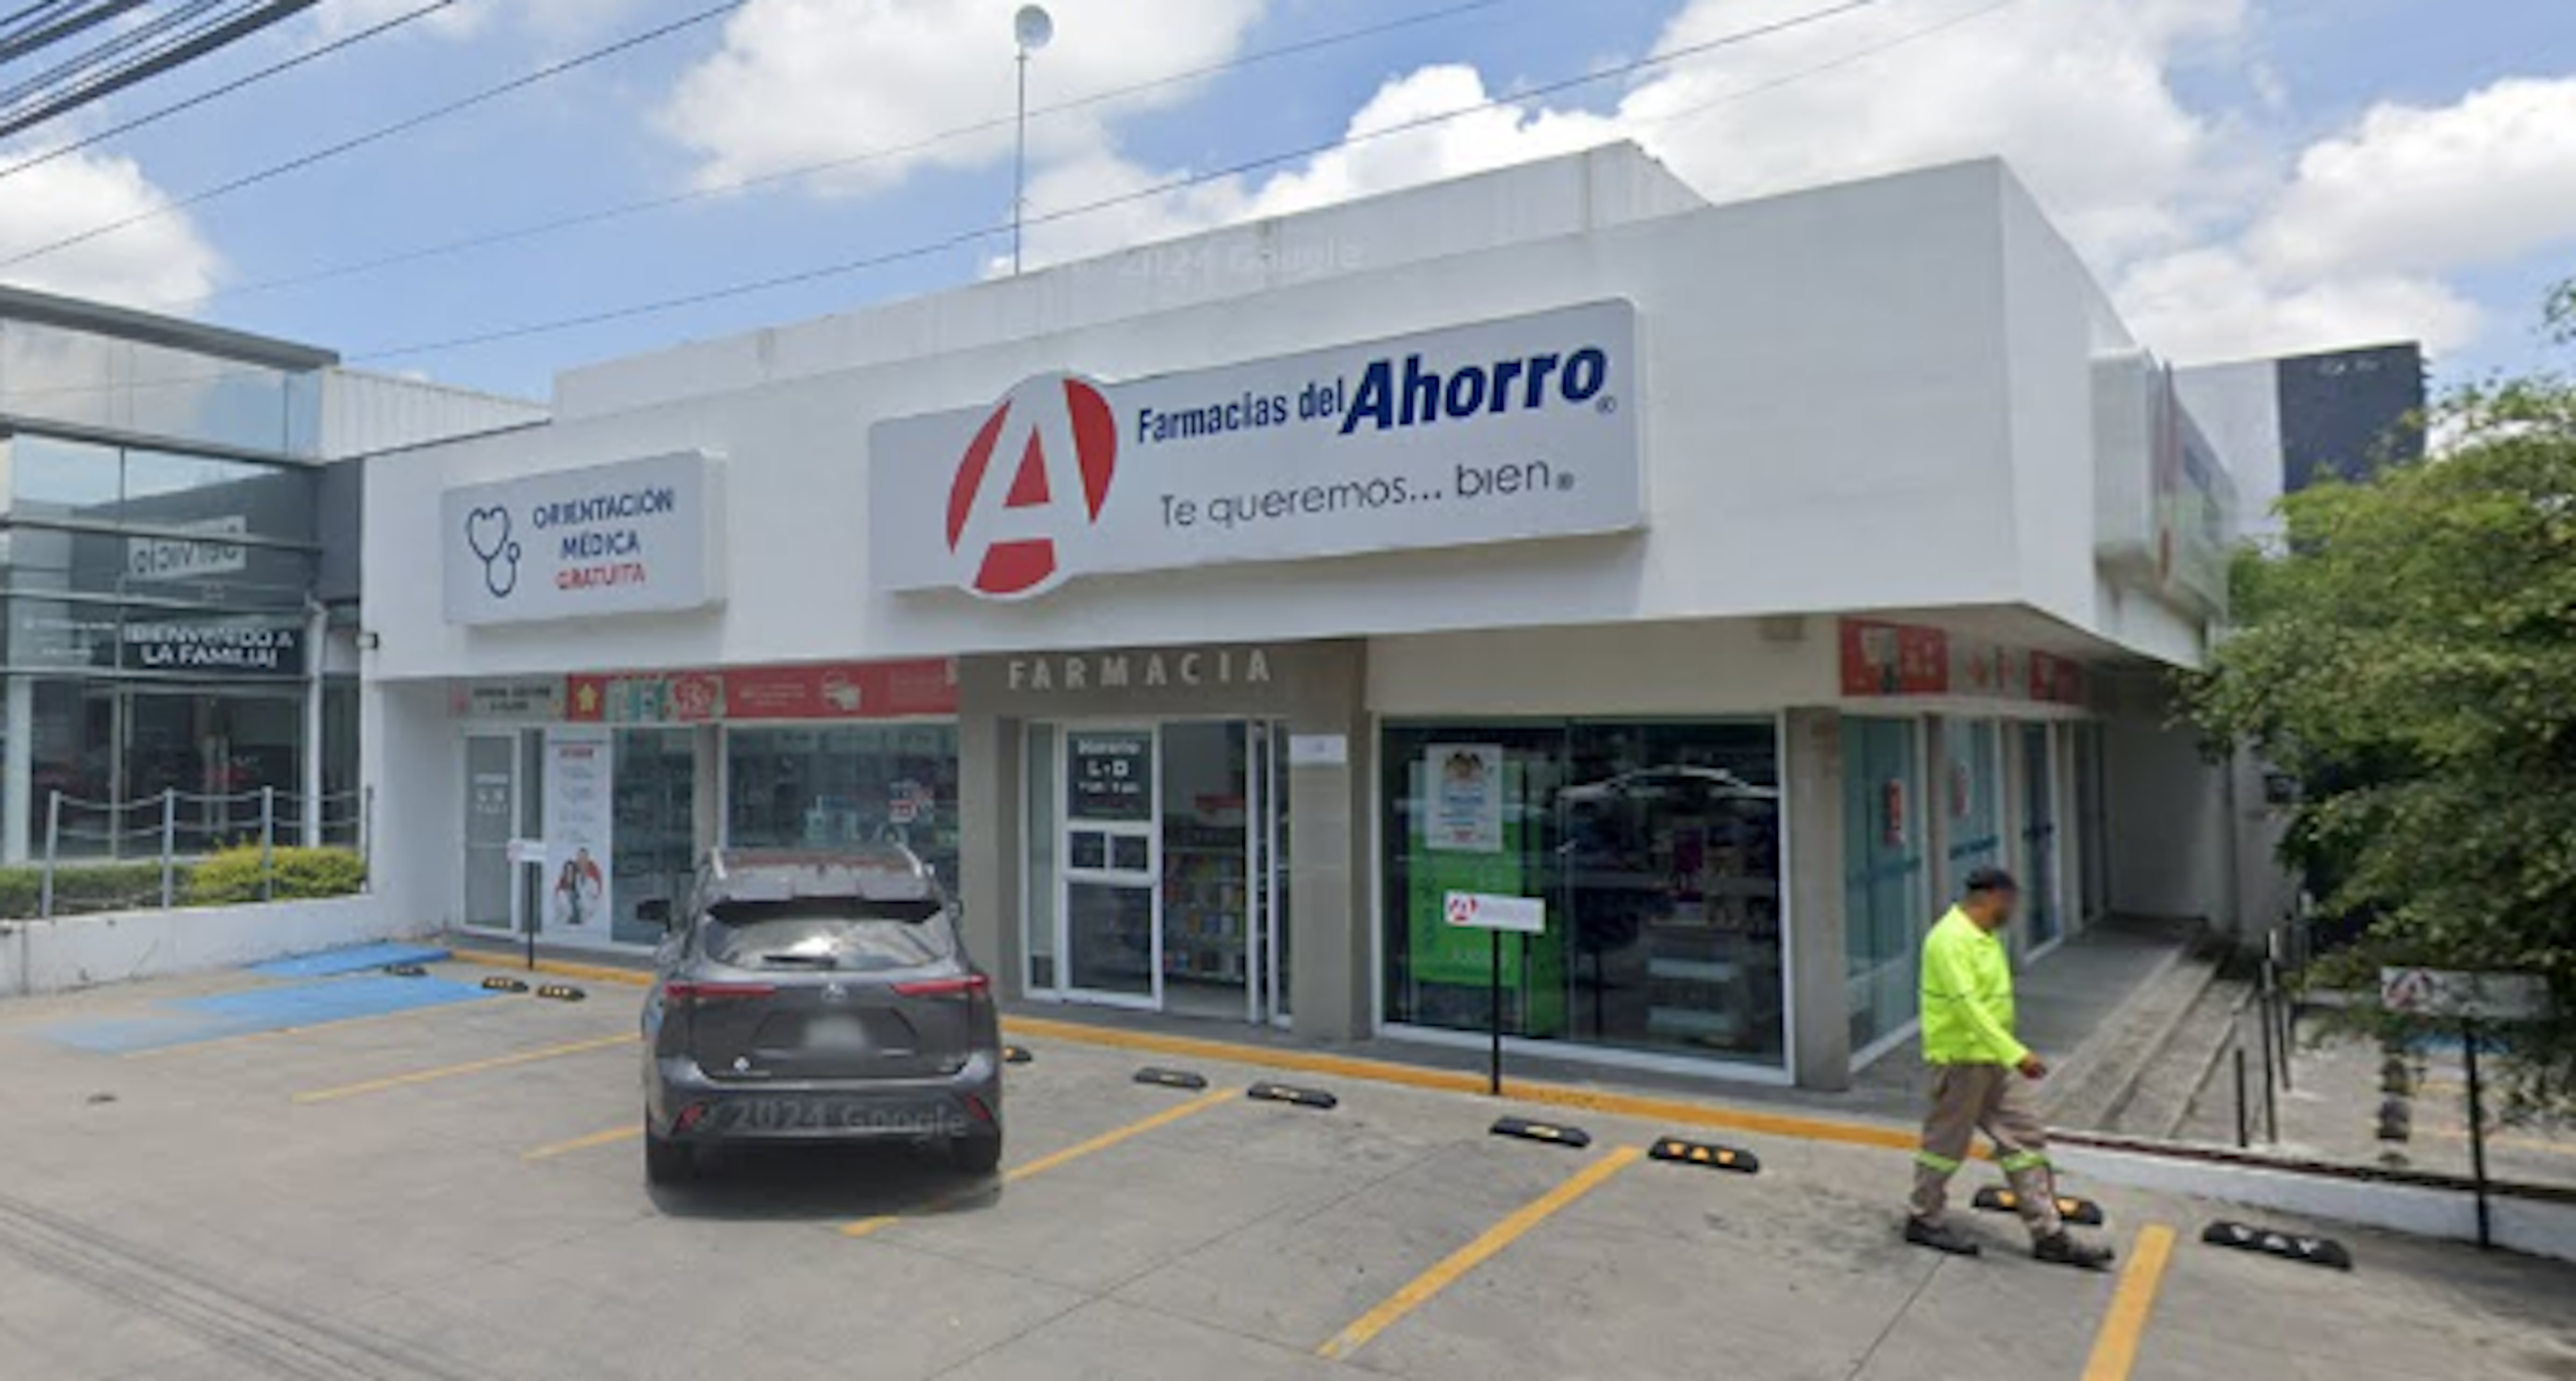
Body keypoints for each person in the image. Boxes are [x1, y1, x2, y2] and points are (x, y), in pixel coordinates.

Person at [1904, 867, 2115, 1269]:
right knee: (1945, 1146)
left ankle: (2048, 1233)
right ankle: (1923, 1217)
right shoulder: (1949, 940)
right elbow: (1968, 1009)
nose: (2014, 909)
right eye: (2010, 901)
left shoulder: (1988, 937)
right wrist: (2017, 1053)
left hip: (1994, 1062)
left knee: (2025, 1139)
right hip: (1962, 1061)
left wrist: (2007, 1055)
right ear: (1989, 897)